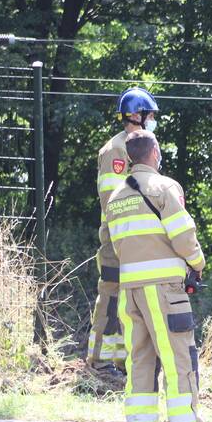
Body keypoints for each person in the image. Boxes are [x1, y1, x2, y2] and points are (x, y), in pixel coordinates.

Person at [105, 130, 212, 422]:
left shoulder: (116, 197)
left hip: (131, 291)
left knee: (140, 360)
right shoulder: (165, 187)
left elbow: (117, 245)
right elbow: (183, 234)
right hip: (164, 291)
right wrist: (197, 264)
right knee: (178, 359)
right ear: (154, 153)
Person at [87, 87, 161, 376]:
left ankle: (120, 360)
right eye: (150, 114)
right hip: (117, 239)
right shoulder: (117, 150)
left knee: (129, 301)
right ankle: (99, 360)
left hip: (136, 238)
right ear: (135, 115)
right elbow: (112, 200)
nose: (153, 119)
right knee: (111, 296)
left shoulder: (143, 144)